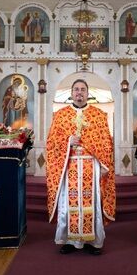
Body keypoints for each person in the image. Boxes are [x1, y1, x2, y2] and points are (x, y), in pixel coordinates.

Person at [46, 79, 115, 255]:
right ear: (71, 93)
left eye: (83, 89)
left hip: (91, 166)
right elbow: (51, 142)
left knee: (91, 203)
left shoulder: (98, 115)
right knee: (68, 204)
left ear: (87, 93)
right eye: (76, 89)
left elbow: (106, 141)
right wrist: (68, 141)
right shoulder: (60, 115)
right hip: (68, 167)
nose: (79, 93)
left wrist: (103, 163)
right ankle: (70, 240)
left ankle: (92, 242)